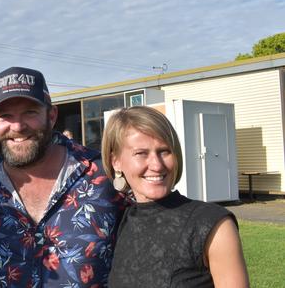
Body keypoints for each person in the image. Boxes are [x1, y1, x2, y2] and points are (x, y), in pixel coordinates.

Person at [0, 67, 126, 287]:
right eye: (5, 116)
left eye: (30, 112)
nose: (18, 126)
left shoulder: (102, 174)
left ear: (52, 115)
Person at [101, 106, 249, 287]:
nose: (156, 165)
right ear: (115, 161)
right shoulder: (118, 223)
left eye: (164, 151)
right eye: (141, 153)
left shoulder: (211, 224)